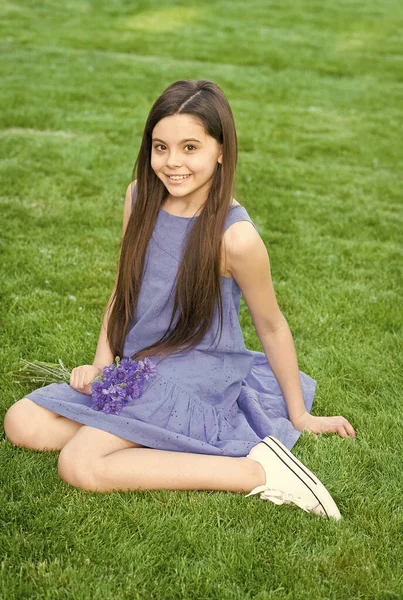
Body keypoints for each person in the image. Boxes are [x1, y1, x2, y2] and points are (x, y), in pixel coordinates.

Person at [4, 80, 355, 519]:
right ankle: (154, 435)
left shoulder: (236, 237)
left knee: (80, 463)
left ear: (221, 150)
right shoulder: (139, 197)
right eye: (160, 147)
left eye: (190, 147)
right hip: (140, 367)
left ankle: (258, 473)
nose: (172, 163)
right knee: (23, 422)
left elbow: (271, 325)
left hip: (197, 373)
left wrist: (299, 416)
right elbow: (122, 290)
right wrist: (100, 364)